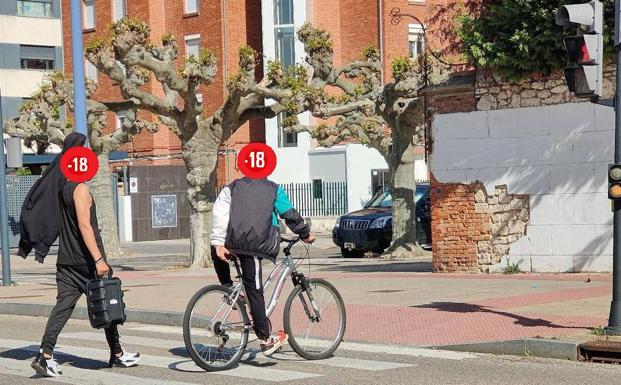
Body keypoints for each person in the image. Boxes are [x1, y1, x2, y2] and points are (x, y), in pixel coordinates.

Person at [31, 135, 140, 377]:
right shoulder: (80, 189)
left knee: (63, 308)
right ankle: (117, 354)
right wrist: (99, 260)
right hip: (86, 262)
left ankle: (45, 355)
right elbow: (84, 226)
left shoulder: (62, 188)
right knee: (109, 304)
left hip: (66, 262)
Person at [210, 177, 315, 357]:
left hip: (230, 241)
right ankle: (265, 340)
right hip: (254, 244)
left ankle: (230, 290)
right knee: (256, 288)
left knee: (249, 286)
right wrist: (305, 234)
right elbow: (288, 214)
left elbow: (220, 211)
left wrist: (218, 241)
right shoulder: (273, 188)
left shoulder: (232, 187)